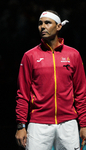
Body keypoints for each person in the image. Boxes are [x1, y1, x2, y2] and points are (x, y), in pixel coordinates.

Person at [15, 10, 86, 150]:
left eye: (47, 23)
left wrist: (83, 124)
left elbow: (81, 93)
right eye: (40, 23)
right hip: (38, 125)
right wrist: (21, 125)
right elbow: (22, 94)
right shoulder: (29, 56)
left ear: (58, 26)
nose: (42, 26)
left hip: (68, 124)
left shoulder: (74, 55)